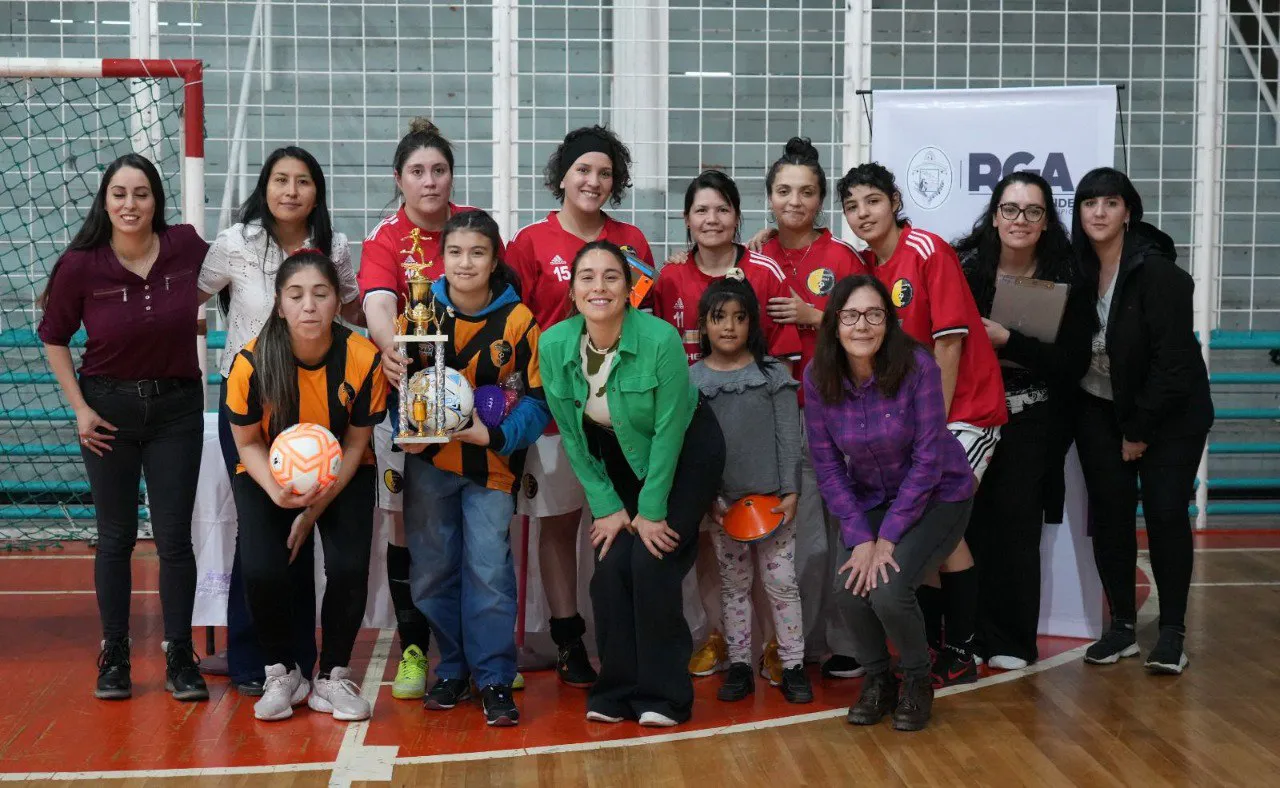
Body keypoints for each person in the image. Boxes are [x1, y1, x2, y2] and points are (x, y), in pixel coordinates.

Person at [39, 151, 210, 702]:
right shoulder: (80, 264)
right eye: (119, 194)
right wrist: (80, 409)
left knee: (174, 538)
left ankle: (180, 655)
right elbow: (54, 337)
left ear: (156, 200)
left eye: (141, 193)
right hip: (106, 412)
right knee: (115, 538)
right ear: (105, 201)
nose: (130, 203)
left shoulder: (186, 246)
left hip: (176, 410)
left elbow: (233, 273)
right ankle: (114, 654)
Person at [539, 241, 725, 726]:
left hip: (685, 454)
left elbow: (669, 431)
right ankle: (616, 690)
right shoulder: (553, 344)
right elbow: (573, 437)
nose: (598, 287)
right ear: (573, 291)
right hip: (618, 460)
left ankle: (665, 697)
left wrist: (652, 510)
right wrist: (607, 506)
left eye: (611, 277)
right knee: (609, 571)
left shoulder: (659, 338)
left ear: (628, 290)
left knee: (651, 561)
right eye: (587, 277)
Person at [836, 162, 1007, 687]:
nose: (863, 214)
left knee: (941, 524)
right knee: (926, 534)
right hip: (914, 425)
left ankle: (960, 650)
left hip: (963, 414)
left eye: (872, 201)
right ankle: (937, 646)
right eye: (851, 207)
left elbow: (949, 343)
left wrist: (934, 427)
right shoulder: (870, 267)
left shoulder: (928, 251)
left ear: (894, 200)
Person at [198, 146, 359, 696]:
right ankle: (255, 659)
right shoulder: (235, 243)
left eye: (303, 181)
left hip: (317, 404)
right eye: (280, 180)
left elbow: (352, 310)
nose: (291, 191)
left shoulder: (335, 247)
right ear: (264, 187)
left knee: (303, 531)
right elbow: (189, 297)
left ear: (317, 191)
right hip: (250, 403)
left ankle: (301, 660)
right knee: (259, 532)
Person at [506, 125, 655, 688]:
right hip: (554, 413)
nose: (594, 181)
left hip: (623, 415)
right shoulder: (530, 243)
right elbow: (512, 326)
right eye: (583, 170)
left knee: (621, 524)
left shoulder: (632, 242)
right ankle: (568, 640)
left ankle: (623, 636)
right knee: (559, 525)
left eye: (605, 173)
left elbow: (646, 324)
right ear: (562, 177)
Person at [804, 275, 975, 732]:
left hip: (939, 493)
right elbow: (827, 467)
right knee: (848, 587)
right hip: (872, 497)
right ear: (834, 323)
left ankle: (917, 680)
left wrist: (888, 538)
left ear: (889, 321)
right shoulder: (819, 376)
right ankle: (879, 679)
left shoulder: (918, 367)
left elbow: (928, 460)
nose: (862, 325)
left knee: (889, 590)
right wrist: (860, 536)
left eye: (874, 314)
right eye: (851, 315)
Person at [651, 169, 803, 684]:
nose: (711, 219)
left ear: (738, 216)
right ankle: (721, 636)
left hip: (755, 436)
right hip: (690, 429)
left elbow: (784, 356)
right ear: (686, 219)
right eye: (701, 210)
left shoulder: (763, 270)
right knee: (711, 544)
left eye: (722, 209)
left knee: (769, 548)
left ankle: (776, 645)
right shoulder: (670, 276)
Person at [224, 251, 387, 722]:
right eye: (296, 295)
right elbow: (246, 442)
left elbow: (356, 444)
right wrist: (279, 495)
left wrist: (314, 508)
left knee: (349, 566)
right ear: (279, 305)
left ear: (337, 301)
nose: (309, 305)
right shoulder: (251, 362)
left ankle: (333, 675)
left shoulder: (363, 358)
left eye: (321, 294)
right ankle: (283, 672)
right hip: (268, 475)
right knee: (261, 568)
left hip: (344, 473)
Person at [401, 210, 549, 727]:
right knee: (431, 573)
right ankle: (453, 667)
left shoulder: (519, 321)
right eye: (456, 252)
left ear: (494, 260)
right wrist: (407, 425)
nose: (466, 263)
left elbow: (538, 401)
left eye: (478, 253)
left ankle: (493, 678)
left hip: (490, 468)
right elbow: (400, 384)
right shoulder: (417, 313)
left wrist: (498, 436)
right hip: (430, 464)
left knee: (489, 571)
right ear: (441, 258)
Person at [358, 118, 483, 700]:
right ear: (399, 179)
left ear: (451, 176)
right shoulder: (386, 238)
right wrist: (394, 353)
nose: (429, 181)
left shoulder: (473, 224)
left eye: (439, 170)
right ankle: (414, 647)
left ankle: (478, 652)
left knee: (474, 529)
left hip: (471, 403)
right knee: (405, 525)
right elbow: (379, 304)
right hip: (404, 406)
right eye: (417, 172)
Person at [1070, 167, 1213, 675]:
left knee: (1165, 513)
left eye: (1111, 203)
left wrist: (1138, 432)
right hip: (1100, 406)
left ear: (1128, 211)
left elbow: (1173, 365)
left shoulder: (1159, 274)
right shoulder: (1075, 269)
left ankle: (1171, 633)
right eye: (1090, 203)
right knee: (1110, 517)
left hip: (1169, 416)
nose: (1099, 212)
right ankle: (1122, 628)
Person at [954, 172, 1093, 669]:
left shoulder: (1067, 275)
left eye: (1033, 211)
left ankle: (1012, 640)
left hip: (1032, 419)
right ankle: (966, 635)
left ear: (1046, 221)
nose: (1020, 220)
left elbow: (1073, 363)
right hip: (970, 415)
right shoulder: (965, 268)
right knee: (964, 524)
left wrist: (1010, 341)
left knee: (1016, 526)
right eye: (1010, 209)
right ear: (994, 216)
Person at [748, 137, 870, 680]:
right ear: (769, 196)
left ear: (821, 199)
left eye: (806, 192)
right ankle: (791, 641)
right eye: (783, 191)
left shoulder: (841, 257)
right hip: (771, 416)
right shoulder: (755, 254)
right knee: (792, 537)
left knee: (841, 527)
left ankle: (846, 639)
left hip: (835, 410)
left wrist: (814, 315)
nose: (794, 201)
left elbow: (872, 327)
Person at [688, 276, 812, 705]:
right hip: (725, 507)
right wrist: (711, 501)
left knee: (781, 583)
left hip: (775, 505)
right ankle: (739, 663)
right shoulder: (692, 381)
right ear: (704, 324)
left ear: (752, 323)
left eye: (739, 318)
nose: (729, 327)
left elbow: (789, 437)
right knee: (733, 585)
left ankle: (793, 664)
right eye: (719, 317)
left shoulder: (772, 374)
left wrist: (791, 492)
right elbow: (694, 448)